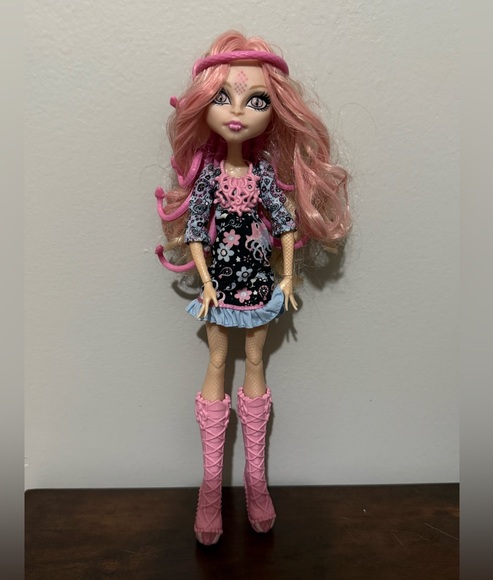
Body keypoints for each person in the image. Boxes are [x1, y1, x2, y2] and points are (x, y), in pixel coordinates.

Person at [155, 31, 350, 545]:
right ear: (203, 106)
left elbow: (284, 224)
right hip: (220, 287)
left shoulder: (262, 173)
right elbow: (196, 234)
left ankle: (257, 485)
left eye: (256, 100)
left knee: (257, 362)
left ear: (274, 110)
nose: (238, 111)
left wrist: (285, 276)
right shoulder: (209, 177)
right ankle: (211, 490)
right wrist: (206, 283)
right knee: (217, 362)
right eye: (223, 97)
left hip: (259, 285)